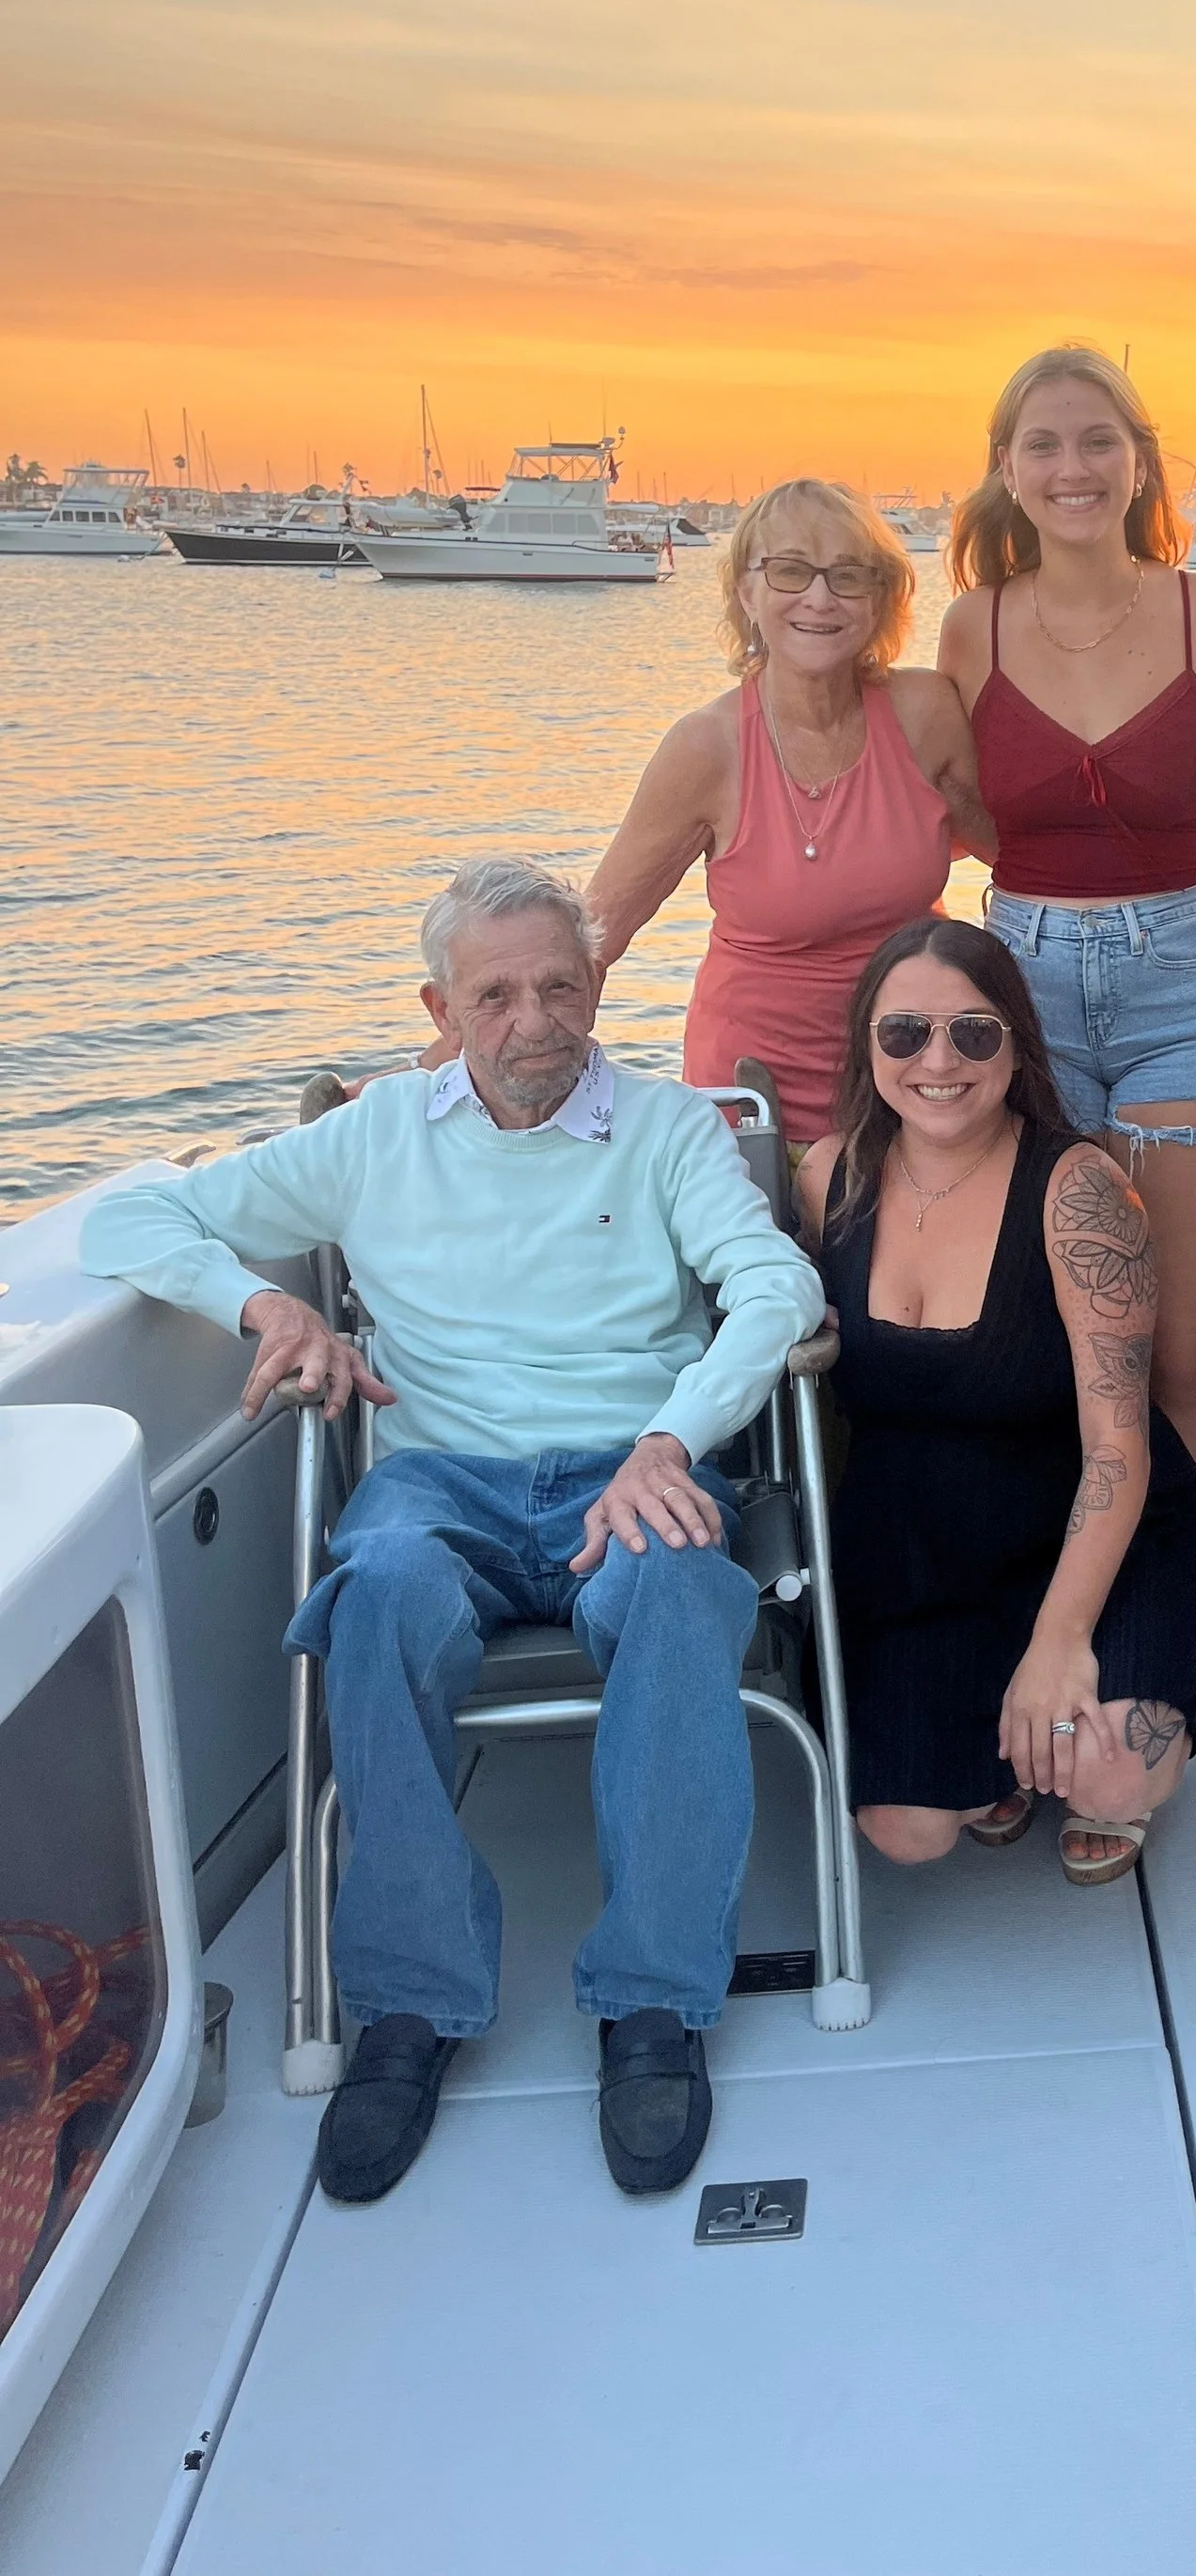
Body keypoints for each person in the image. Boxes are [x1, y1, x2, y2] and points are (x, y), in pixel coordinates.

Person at [81, 858, 826, 2204]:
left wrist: (674, 1434)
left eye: (558, 985)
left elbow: (773, 1280)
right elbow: (133, 1212)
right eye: (495, 993)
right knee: (376, 1598)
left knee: (677, 1590)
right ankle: (412, 2008)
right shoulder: (372, 1137)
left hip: (630, 1463)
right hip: (441, 1479)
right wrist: (268, 1311)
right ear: (440, 1004)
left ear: (597, 986)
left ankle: (655, 2002)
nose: (532, 1019)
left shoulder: (668, 1130)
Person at [796, 917, 1196, 1885]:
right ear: (868, 1044)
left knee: (1114, 1773)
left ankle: (1085, 1711)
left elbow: (1119, 1445)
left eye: (972, 1034)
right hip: (913, 1550)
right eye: (903, 1033)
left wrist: (1061, 1640)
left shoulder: (1079, 1192)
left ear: (1015, 1044)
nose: (937, 1060)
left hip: (1086, 1530)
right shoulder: (830, 1179)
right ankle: (1001, 1751)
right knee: (908, 1831)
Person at [938, 347, 1196, 1505]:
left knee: (1181, 1352)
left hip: (1183, 983)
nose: (1071, 466)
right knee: (1064, 1341)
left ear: (1138, 464)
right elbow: (964, 809)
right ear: (1006, 471)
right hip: (1021, 986)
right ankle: (1060, 1627)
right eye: (1042, 443)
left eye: (1096, 441)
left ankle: (1169, 1641)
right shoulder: (970, 628)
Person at [590, 476, 991, 1147]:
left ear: (882, 596)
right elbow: (591, 938)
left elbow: (1023, 856)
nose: (819, 597)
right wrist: (455, 1059)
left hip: (918, 1088)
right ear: (746, 592)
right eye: (790, 571)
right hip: (755, 1110)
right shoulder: (706, 748)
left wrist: (1194, 907)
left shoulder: (928, 713)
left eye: (848, 575)